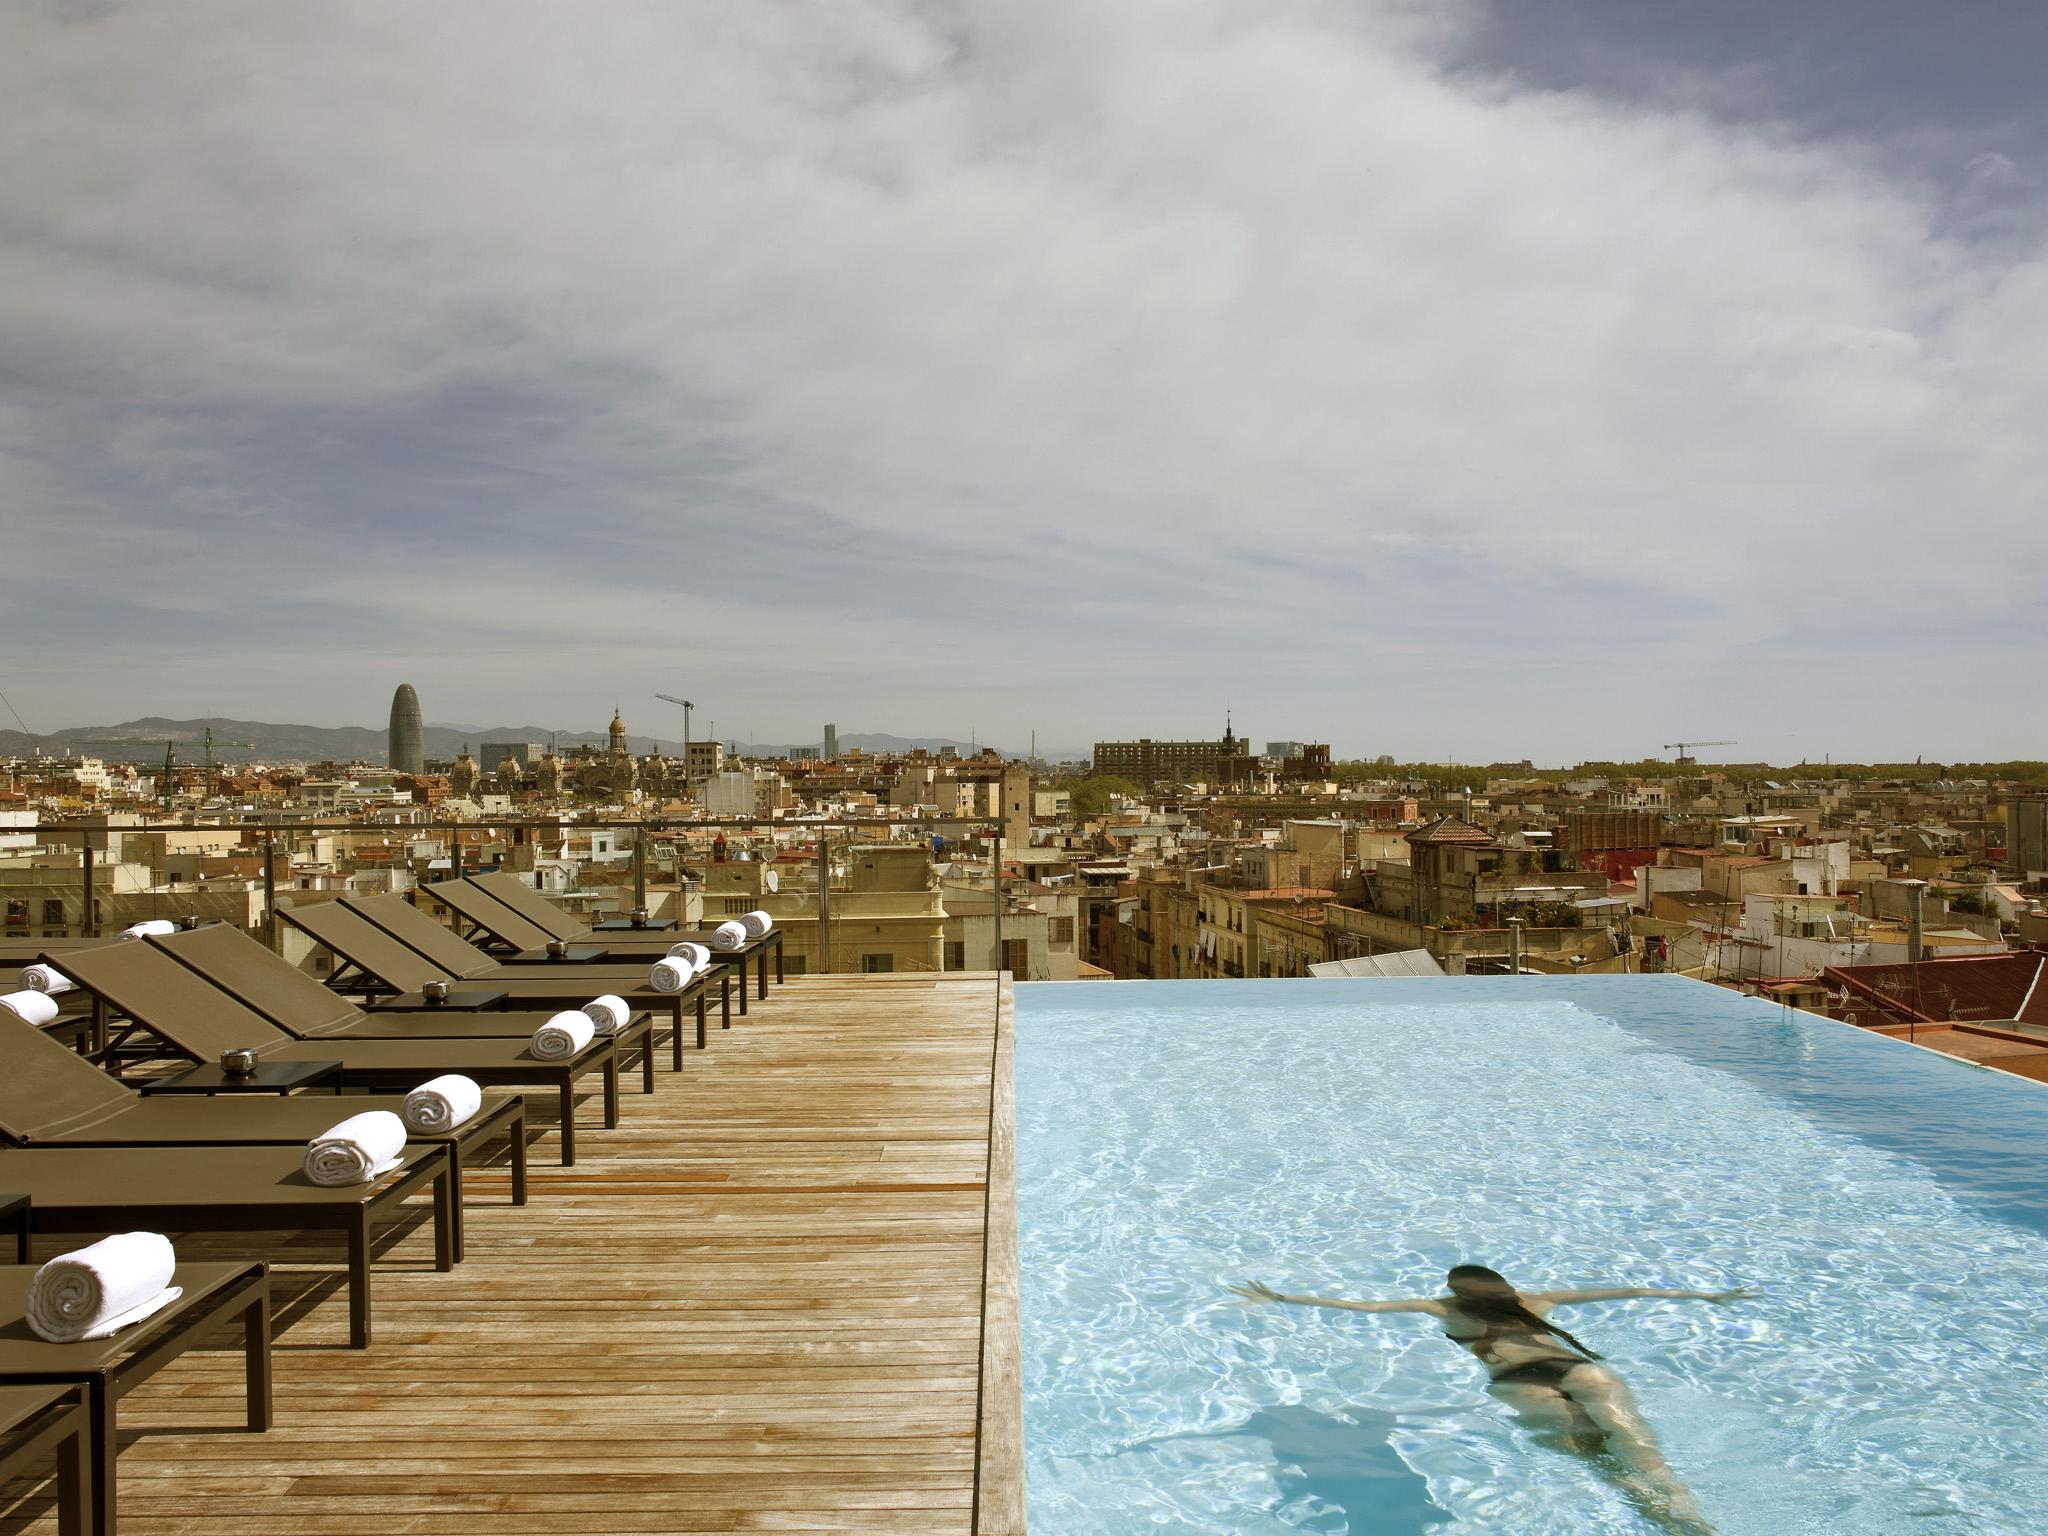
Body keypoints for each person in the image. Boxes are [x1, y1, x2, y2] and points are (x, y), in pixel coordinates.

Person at [1231, 1265, 1754, 1536]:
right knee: (1641, 1450)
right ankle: (1695, 1523)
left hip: (1520, 1383)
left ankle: (1668, 1526)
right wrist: (1708, 1297)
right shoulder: (1536, 1299)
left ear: (1458, 1290)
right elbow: (1629, 1292)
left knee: (1602, 1462)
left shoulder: (1441, 1307)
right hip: (1581, 1370)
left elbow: (1363, 1307)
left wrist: (1281, 1298)